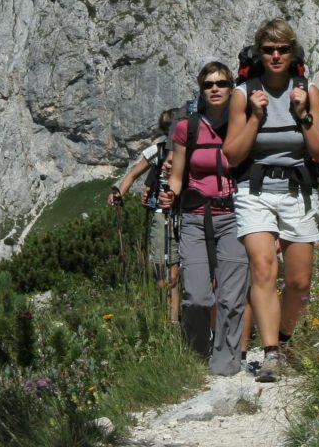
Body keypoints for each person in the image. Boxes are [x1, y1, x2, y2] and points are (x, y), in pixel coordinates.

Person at [223, 18, 319, 383]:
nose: (275, 55)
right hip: (254, 192)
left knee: (300, 283)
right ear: (259, 53)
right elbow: (233, 155)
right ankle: (270, 353)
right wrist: (256, 116)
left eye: (282, 49)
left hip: (298, 190)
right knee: (263, 265)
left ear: (292, 53)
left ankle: (284, 340)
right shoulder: (243, 94)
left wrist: (302, 115)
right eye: (268, 50)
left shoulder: (308, 90)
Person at [159, 61, 249, 376]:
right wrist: (169, 193)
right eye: (209, 84)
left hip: (235, 215)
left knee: (231, 297)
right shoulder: (188, 127)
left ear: (232, 88)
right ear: (201, 89)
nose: (215, 88)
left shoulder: (243, 124)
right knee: (197, 296)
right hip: (195, 216)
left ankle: (225, 366)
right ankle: (197, 355)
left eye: (222, 83)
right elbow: (178, 175)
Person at [107, 110, 180, 305]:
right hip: (164, 212)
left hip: (181, 212)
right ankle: (170, 318)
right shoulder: (158, 151)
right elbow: (132, 174)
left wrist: (120, 193)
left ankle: (171, 318)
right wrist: (119, 192)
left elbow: (133, 175)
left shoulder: (184, 150)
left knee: (170, 267)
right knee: (167, 267)